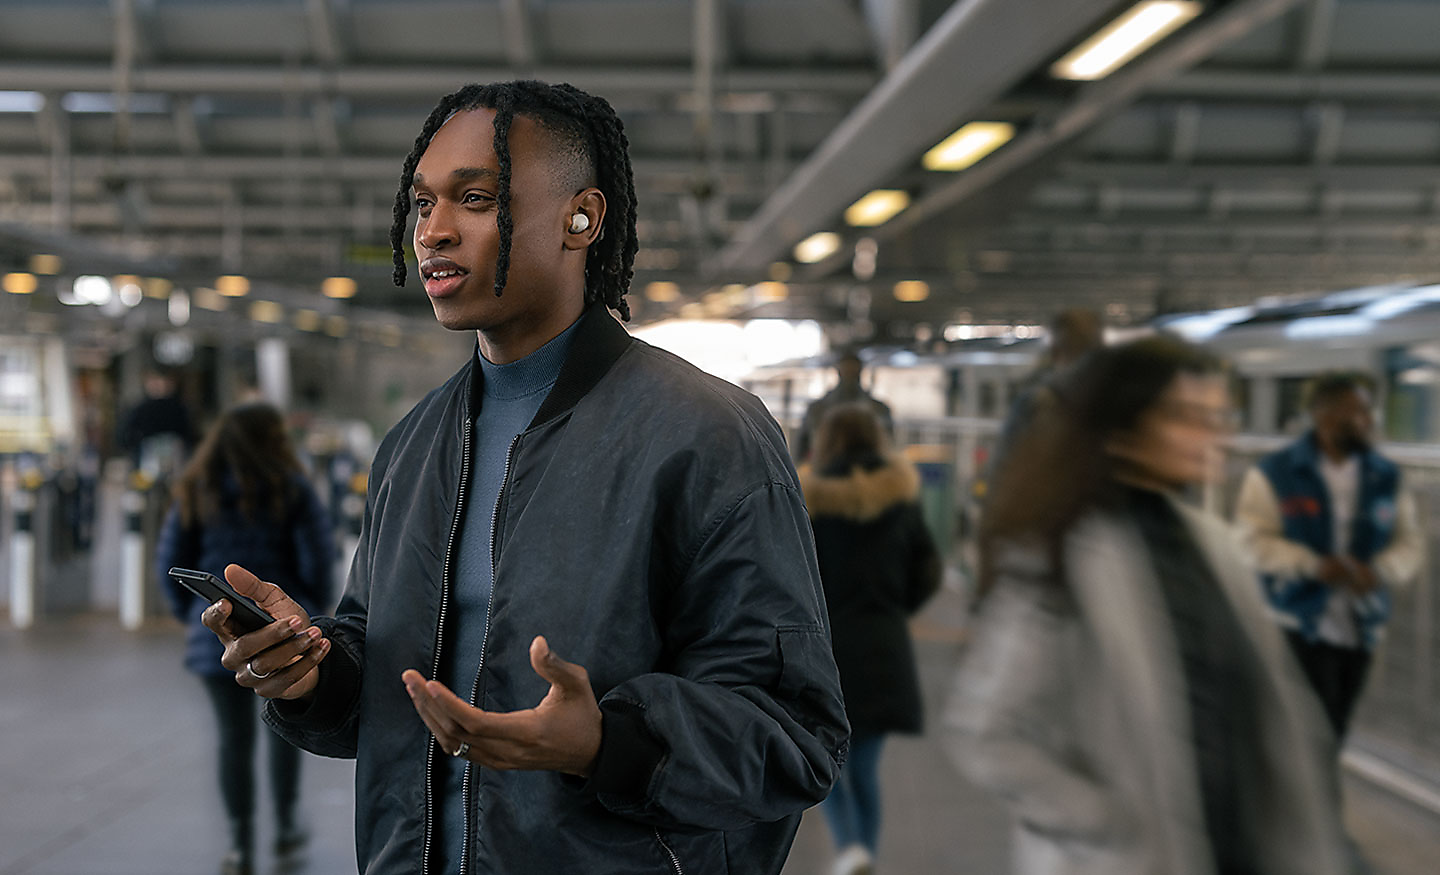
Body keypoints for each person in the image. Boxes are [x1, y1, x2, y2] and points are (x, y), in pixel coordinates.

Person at [198, 80, 848, 874]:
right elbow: (385, 671)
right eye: (422, 204)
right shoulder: (415, 445)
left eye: (474, 198)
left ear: (583, 218)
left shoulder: (708, 436)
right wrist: (312, 672)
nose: (434, 230)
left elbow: (796, 733)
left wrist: (608, 742)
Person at [944, 336, 1348, 875]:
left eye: (1218, 415)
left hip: (1237, 851)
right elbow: (987, 731)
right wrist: (1102, 822)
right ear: (1124, 428)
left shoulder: (1218, 547)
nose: (1214, 435)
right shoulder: (1057, 555)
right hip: (1125, 858)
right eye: (1185, 417)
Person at [155, 402, 333, 875]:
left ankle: (239, 838)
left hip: (215, 634)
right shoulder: (291, 488)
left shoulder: (196, 488)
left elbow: (170, 561)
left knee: (232, 739)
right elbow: (318, 557)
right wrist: (308, 614)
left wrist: (193, 617)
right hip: (280, 629)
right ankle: (286, 825)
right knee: (285, 727)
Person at [1234, 372, 1422, 742]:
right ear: (1325, 417)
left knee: (1335, 725)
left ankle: (1313, 792)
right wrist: (1312, 566)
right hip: (1294, 620)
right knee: (1302, 732)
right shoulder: (1276, 473)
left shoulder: (1385, 476)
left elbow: (1409, 542)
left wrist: (1382, 570)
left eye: (1370, 413)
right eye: (1359, 413)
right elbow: (1250, 540)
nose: (1369, 422)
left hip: (1361, 623)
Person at [798, 403, 940, 875]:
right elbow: (928, 570)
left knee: (831, 759)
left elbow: (791, 577)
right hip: (884, 644)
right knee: (865, 767)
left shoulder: (807, 500)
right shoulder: (900, 497)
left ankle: (850, 850)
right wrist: (896, 610)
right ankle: (865, 855)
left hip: (828, 647)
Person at [794, 350, 893, 462]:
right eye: (846, 369)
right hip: (826, 469)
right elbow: (802, 447)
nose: (849, 373)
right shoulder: (817, 409)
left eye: (853, 370)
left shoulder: (879, 409)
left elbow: (889, 447)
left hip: (868, 470)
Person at [118, 368, 197, 471]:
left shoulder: (179, 408)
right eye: (155, 381)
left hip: (175, 464)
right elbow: (123, 437)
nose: (160, 385)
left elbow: (190, 435)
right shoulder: (139, 409)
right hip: (147, 465)